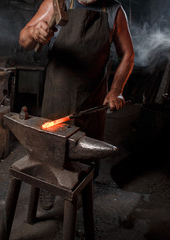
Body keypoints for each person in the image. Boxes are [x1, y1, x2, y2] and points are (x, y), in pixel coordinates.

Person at [19, 0, 134, 209]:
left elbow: (128, 54)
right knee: (50, 148)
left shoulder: (114, 11)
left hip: (93, 98)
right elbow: (24, 40)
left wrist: (116, 90)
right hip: (58, 93)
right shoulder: (59, 2)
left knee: (86, 157)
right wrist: (34, 33)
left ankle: (81, 190)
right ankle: (47, 186)